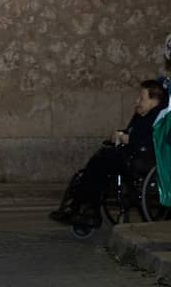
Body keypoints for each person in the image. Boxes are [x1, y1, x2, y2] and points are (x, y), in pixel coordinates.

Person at [49, 80, 166, 227]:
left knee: (103, 160)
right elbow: (132, 132)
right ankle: (77, 206)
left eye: (142, 98)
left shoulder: (160, 117)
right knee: (95, 165)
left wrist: (127, 138)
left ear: (154, 101)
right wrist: (120, 134)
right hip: (131, 154)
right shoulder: (141, 114)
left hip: (144, 157)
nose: (137, 101)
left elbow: (152, 139)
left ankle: (86, 209)